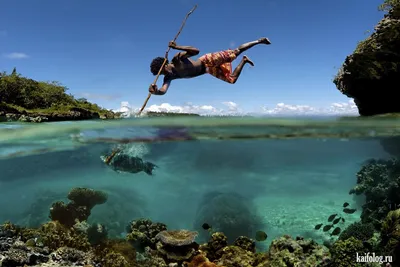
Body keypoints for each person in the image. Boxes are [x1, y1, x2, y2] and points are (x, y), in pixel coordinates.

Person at [148, 37, 271, 95]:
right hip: (208, 70)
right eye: (162, 74)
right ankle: (244, 61)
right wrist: (156, 91)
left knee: (235, 52)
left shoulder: (176, 59)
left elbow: (196, 51)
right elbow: (163, 91)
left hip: (207, 60)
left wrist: (177, 47)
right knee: (231, 80)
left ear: (164, 66)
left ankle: (259, 41)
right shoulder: (168, 78)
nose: (165, 74)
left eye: (163, 72)